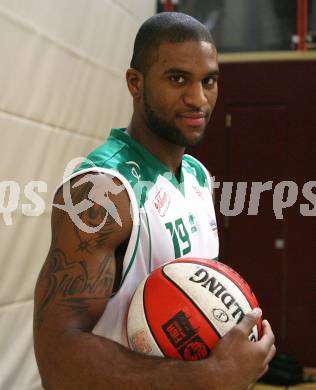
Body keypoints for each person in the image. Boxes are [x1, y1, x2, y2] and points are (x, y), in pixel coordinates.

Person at [33, 12, 276, 389]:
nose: (198, 98)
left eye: (208, 81)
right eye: (177, 79)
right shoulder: (101, 191)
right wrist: (210, 376)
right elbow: (57, 360)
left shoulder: (196, 176)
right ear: (135, 82)